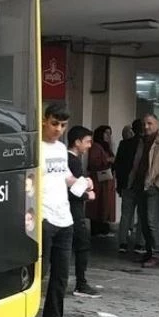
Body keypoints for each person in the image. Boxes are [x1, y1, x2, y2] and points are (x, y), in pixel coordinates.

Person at [40, 102, 94, 317]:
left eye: (62, 125)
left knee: (61, 274)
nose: (58, 129)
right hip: (43, 215)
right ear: (44, 120)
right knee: (40, 270)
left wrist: (83, 183)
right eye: (54, 123)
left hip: (64, 217)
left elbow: (66, 177)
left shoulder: (61, 149)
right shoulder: (34, 146)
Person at [67, 125, 100, 298]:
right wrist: (88, 194)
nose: (89, 145)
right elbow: (73, 191)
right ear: (77, 142)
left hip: (69, 211)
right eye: (87, 142)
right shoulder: (72, 162)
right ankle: (81, 283)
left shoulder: (67, 159)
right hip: (73, 211)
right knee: (82, 244)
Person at [135, 113, 159, 267]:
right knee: (143, 221)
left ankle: (157, 254)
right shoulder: (142, 141)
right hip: (141, 186)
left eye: (150, 123)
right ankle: (150, 252)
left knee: (152, 220)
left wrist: (158, 184)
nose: (146, 126)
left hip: (155, 188)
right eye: (144, 123)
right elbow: (138, 163)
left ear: (157, 124)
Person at [115, 119, 144, 253]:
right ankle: (139, 243)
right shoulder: (147, 144)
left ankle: (122, 242)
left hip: (127, 184)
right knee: (142, 215)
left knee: (126, 215)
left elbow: (118, 166)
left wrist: (120, 185)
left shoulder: (124, 144)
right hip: (142, 186)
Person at [86, 125, 115, 236]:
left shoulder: (107, 147)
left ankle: (104, 227)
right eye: (106, 133)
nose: (108, 136)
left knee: (106, 205)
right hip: (98, 181)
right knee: (98, 205)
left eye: (109, 133)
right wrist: (108, 160)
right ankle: (97, 229)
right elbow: (94, 162)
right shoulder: (96, 147)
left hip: (107, 181)